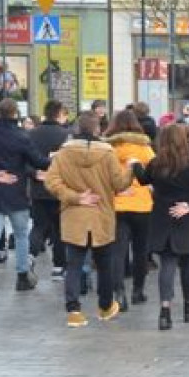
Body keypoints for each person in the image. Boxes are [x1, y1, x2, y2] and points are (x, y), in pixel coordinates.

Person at [44, 112, 135, 327]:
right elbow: (119, 184)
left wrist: (75, 197)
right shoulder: (108, 154)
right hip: (101, 215)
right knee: (104, 265)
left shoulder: (64, 153)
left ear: (76, 129)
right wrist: (131, 169)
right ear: (97, 130)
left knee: (73, 265)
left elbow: (51, 181)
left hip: (74, 216)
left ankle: (74, 311)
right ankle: (105, 307)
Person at [133, 124, 189, 330]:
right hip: (187, 218)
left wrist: (135, 165)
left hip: (162, 216)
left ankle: (165, 311)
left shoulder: (157, 163)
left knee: (167, 264)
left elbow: (144, 180)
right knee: (188, 264)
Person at [0, 100, 52, 297]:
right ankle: (22, 276)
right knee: (22, 236)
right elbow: (39, 161)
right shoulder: (22, 136)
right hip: (17, 194)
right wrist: (56, 157)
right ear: (15, 113)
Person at [104, 109, 155, 310]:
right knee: (141, 249)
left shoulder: (109, 149)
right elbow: (153, 173)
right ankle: (138, 291)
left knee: (118, 251)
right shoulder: (145, 149)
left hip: (117, 203)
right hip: (142, 205)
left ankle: (119, 293)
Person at [27, 100, 70, 279]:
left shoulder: (31, 134)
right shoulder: (67, 135)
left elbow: (23, 160)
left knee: (39, 226)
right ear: (59, 114)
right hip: (60, 189)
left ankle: (30, 255)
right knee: (60, 230)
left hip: (38, 188)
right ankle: (58, 267)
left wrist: (34, 173)